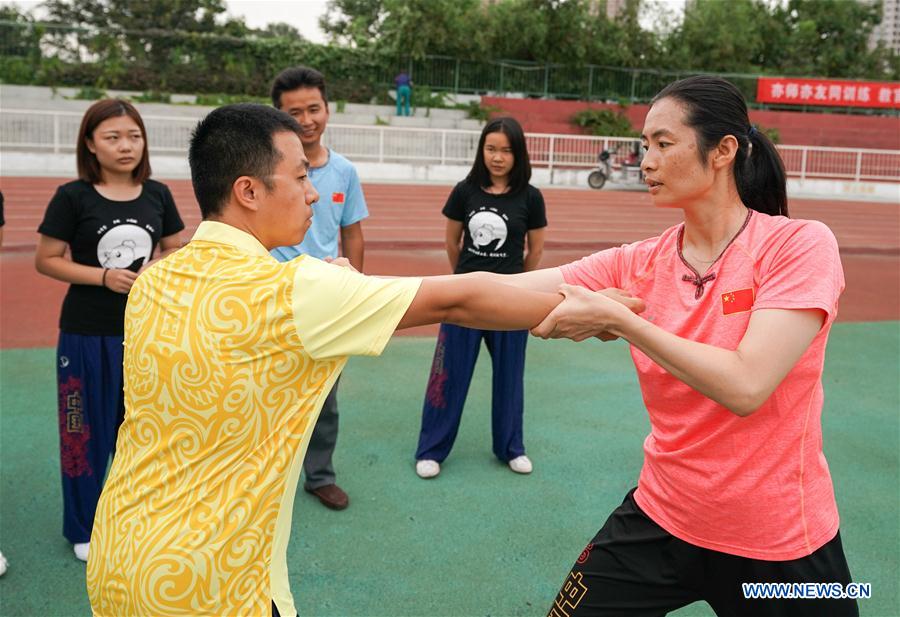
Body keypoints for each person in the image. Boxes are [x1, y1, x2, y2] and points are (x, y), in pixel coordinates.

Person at [86, 104, 641, 617]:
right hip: (209, 585)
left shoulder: (156, 280)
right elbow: (459, 296)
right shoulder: (293, 291)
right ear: (249, 191)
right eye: (301, 176)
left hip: (121, 552)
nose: (313, 193)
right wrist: (598, 301)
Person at [476, 76, 858, 616]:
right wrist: (366, 293)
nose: (645, 161)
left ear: (723, 150)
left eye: (662, 143)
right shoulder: (639, 262)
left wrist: (621, 320)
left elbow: (746, 385)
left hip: (782, 549)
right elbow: (497, 289)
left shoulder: (798, 245)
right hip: (661, 520)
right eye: (644, 145)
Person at [34, 99, 184, 563]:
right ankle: (83, 526)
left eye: (134, 136)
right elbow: (47, 259)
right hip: (84, 336)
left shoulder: (157, 193)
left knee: (144, 433)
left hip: (144, 335)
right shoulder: (73, 197)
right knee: (82, 430)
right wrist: (103, 276)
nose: (126, 146)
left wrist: (159, 266)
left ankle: (135, 517)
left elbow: (177, 248)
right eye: (113, 137)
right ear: (90, 144)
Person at [415, 117, 547, 480]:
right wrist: (468, 280)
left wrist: (516, 284)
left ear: (518, 154)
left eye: (506, 150)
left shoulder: (531, 197)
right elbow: (451, 242)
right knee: (448, 375)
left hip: (511, 301)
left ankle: (511, 448)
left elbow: (534, 250)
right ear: (481, 150)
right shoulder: (464, 191)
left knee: (510, 377)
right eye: (491, 149)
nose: (498, 157)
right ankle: (431, 449)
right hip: (464, 300)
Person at [269, 66, 366, 511]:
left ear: (327, 109)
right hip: (270, 294)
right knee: (264, 390)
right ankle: (265, 480)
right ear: (278, 116)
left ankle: (319, 476)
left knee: (324, 395)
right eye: (294, 112)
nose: (306, 119)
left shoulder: (344, 170)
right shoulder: (264, 170)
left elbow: (353, 235)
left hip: (325, 298)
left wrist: (354, 292)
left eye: (314, 108)